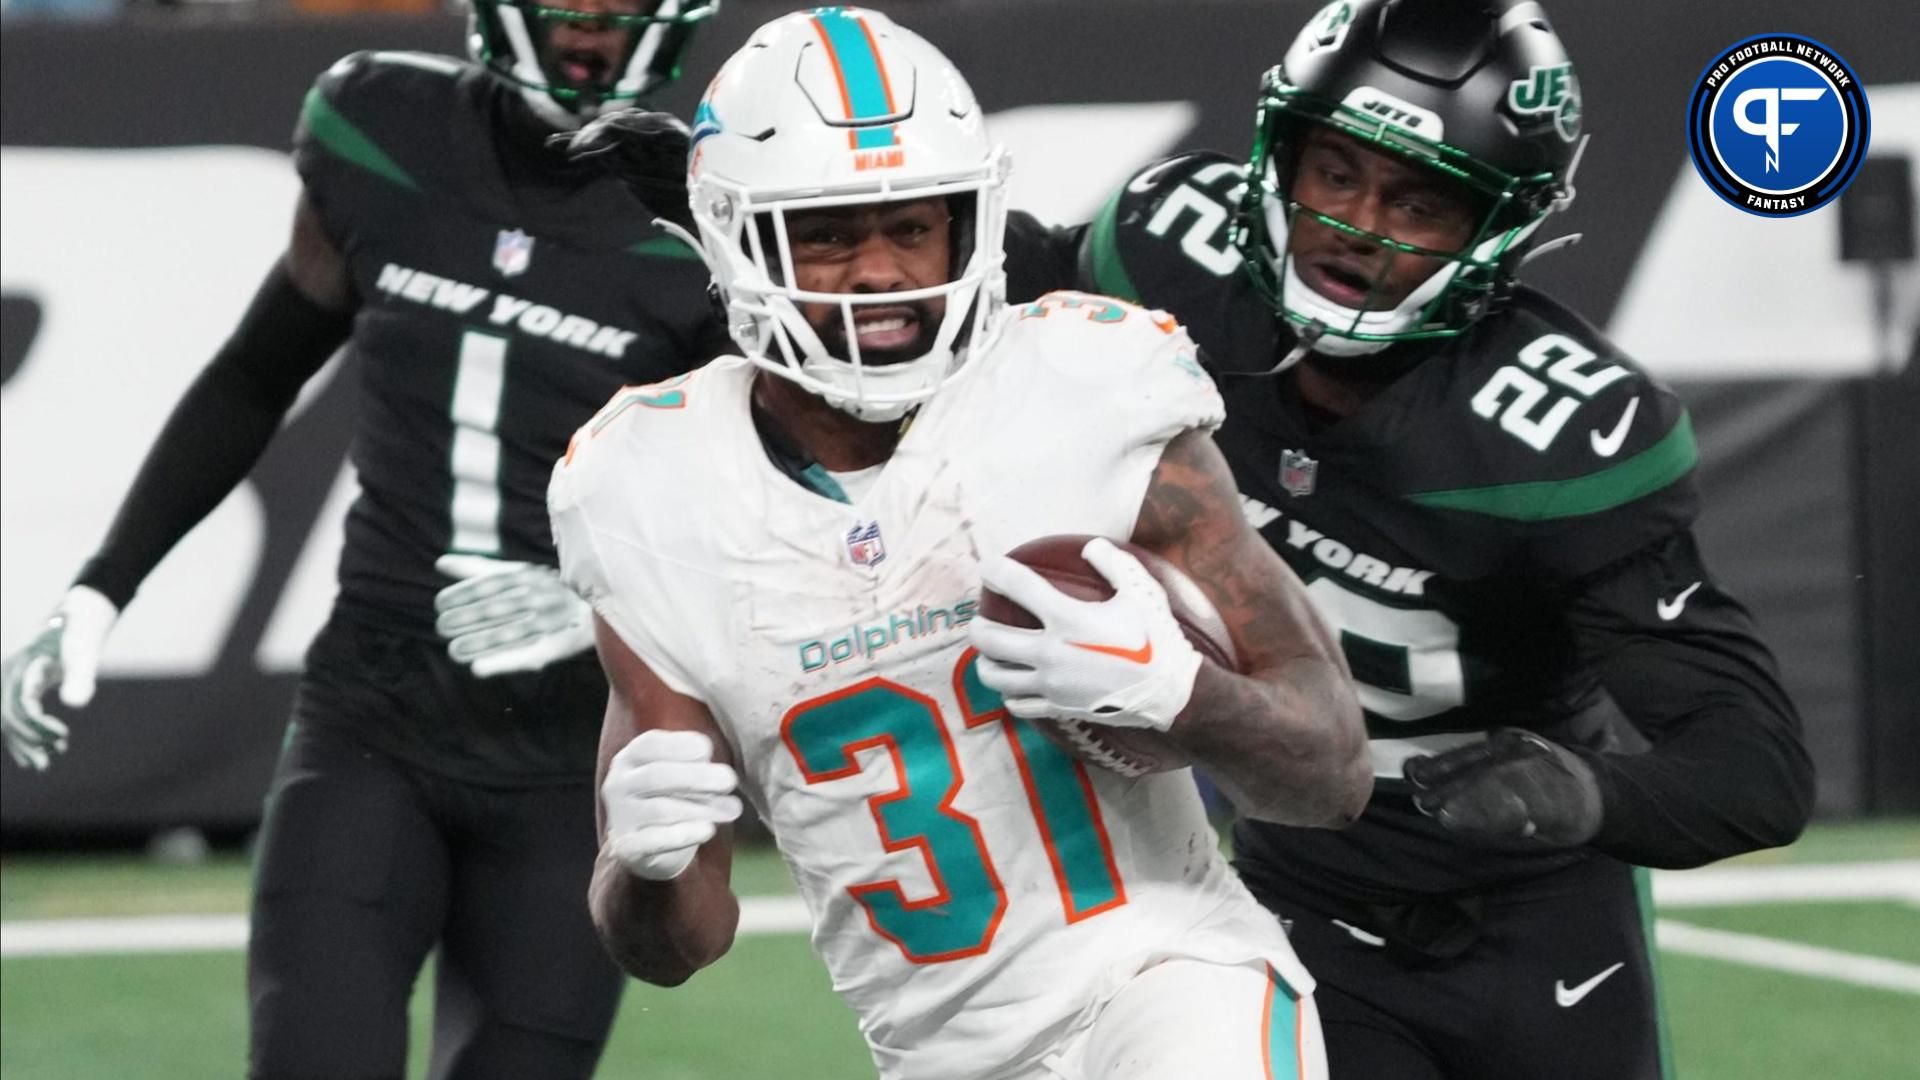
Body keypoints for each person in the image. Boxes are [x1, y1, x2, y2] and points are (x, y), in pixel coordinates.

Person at [549, 9, 1372, 1079]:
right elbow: (675, 948)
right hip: (939, 1052)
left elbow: (1335, 771)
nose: (883, 274)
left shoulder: (1087, 392)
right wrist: (640, 864)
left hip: (1171, 981)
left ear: (968, 224)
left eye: (911, 226)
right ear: (736, 240)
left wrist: (1179, 691)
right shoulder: (648, 486)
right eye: (833, 234)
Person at [1042, 1, 1816, 1077]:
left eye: (1421, 202)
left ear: (1500, 227)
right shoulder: (1170, 267)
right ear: (1282, 154)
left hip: (1532, 918)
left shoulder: (1553, 437)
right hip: (1297, 891)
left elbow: (1755, 770)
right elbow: (938, 317)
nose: (1359, 227)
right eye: (1337, 173)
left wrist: (1587, 793)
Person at [0, 1, 728, 1076]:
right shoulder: (383, 123)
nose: (596, 28)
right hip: (372, 722)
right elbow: (257, 372)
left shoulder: (710, 215)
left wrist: (596, 605)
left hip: (575, 757)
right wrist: (104, 587)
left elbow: (769, 507)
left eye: (623, 8)